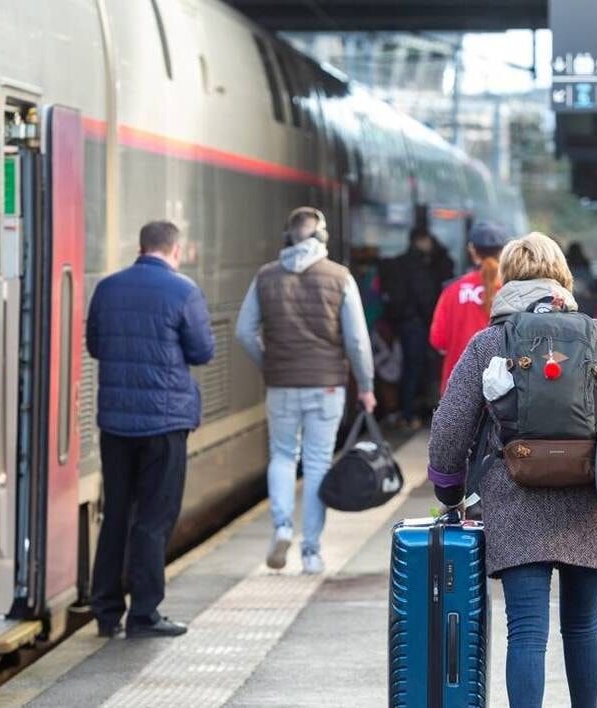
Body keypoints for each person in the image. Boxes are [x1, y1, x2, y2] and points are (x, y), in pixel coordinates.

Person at [427, 232, 597, 707]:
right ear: (562, 277)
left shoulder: (490, 341)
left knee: (526, 632)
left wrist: (449, 492)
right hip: (590, 500)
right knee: (582, 625)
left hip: (514, 499)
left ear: (507, 277)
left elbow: (449, 430)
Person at [86, 220, 214, 639]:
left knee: (117, 513)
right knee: (154, 518)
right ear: (175, 251)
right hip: (164, 422)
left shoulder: (108, 288)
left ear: (141, 247)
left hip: (117, 423)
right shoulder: (183, 291)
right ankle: (144, 612)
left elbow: (96, 346)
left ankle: (105, 611)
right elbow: (201, 351)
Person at [235, 207, 376, 575]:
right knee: (316, 464)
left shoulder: (265, 277)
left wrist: (269, 363)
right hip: (326, 386)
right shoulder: (339, 277)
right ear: (323, 238)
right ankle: (311, 552)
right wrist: (366, 386)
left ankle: (282, 527)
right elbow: (357, 341)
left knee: (282, 456)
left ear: (287, 238)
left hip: (281, 385)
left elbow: (243, 331)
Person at [380, 226, 453, 428]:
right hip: (417, 324)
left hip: (405, 323)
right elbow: (425, 296)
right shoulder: (418, 265)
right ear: (420, 241)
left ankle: (407, 412)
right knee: (415, 368)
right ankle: (409, 413)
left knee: (410, 368)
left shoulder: (402, 263)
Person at [428, 221, 510, 393]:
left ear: (473, 251)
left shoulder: (452, 290)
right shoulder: (512, 291)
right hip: (503, 387)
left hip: (457, 387)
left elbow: (438, 339)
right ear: (504, 252)